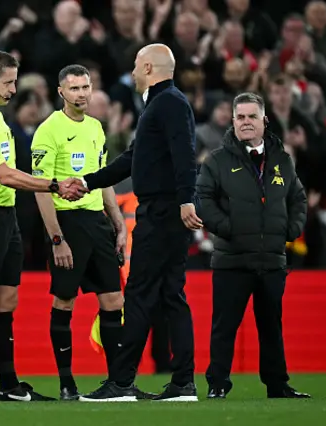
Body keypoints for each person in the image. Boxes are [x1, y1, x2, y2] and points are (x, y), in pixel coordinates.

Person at [0, 49, 86, 403]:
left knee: (7, 298)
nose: (13, 90)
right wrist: (54, 185)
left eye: (14, 82)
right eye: (8, 83)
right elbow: (4, 175)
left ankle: (8, 385)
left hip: (4, 215)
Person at [78, 44, 201, 402]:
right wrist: (89, 181)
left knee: (140, 293)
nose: (131, 72)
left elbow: (185, 155)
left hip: (162, 213)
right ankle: (182, 383)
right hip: (165, 210)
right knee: (169, 295)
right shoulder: (163, 104)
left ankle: (121, 382)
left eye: (135, 65)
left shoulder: (168, 103)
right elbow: (134, 158)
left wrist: (185, 199)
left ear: (148, 67)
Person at [196, 92, 310, 399]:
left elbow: (298, 198)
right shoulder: (217, 161)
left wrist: (292, 228)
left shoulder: (282, 159)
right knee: (225, 327)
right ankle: (218, 384)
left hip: (272, 258)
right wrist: (227, 228)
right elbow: (203, 199)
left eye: (252, 117)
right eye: (241, 117)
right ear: (232, 121)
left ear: (264, 120)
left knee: (272, 327)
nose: (246, 122)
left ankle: (278, 385)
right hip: (232, 259)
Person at [31, 64, 126, 400]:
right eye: (74, 89)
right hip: (67, 222)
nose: (82, 94)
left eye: (86, 88)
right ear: (61, 92)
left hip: (97, 222)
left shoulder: (96, 128)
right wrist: (56, 238)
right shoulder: (48, 131)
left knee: (114, 299)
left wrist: (118, 224)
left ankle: (118, 383)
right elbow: (42, 189)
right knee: (65, 301)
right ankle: (67, 382)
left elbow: (103, 179)